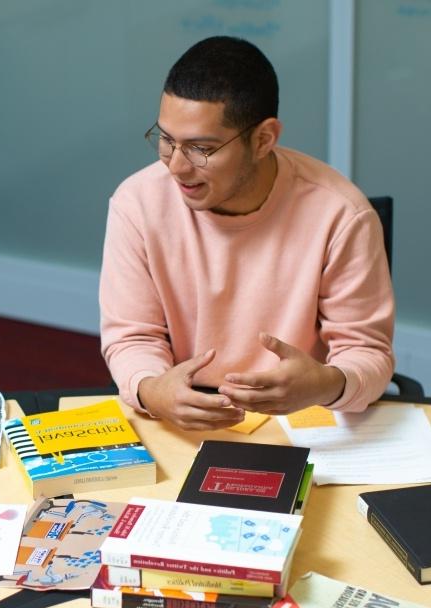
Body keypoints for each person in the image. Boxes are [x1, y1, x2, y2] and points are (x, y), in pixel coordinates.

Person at [99, 36, 394, 431]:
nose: (176, 168)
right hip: (182, 412)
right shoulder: (137, 203)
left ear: (263, 139)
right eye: (167, 140)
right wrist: (153, 391)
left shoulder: (342, 215)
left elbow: (367, 354)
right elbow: (132, 338)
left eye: (201, 148)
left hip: (304, 413)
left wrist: (327, 383)